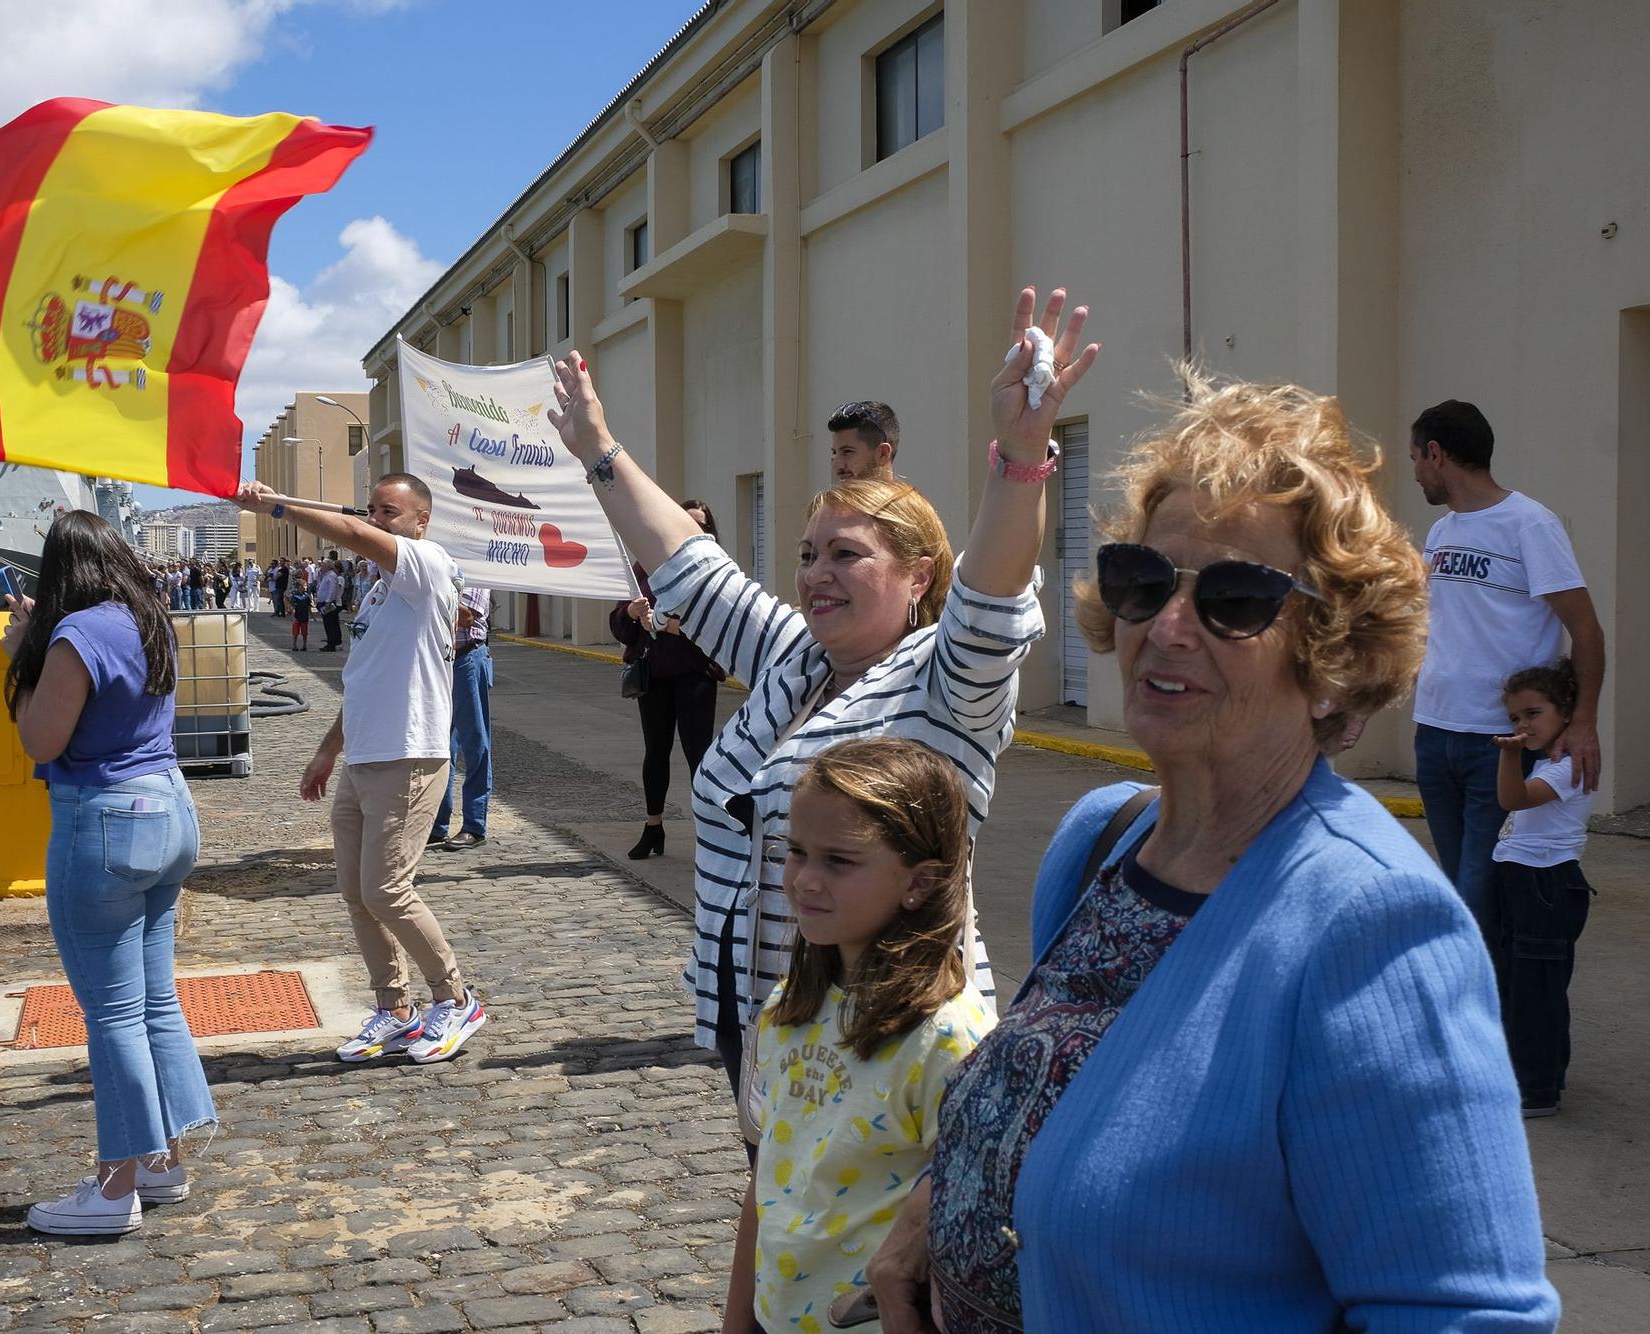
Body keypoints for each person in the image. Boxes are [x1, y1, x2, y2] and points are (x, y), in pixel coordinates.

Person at [867, 374, 1555, 1331]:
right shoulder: (1102, 839)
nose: (1168, 626)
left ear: (1332, 658)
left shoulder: (1376, 929)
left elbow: (1467, 1314)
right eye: (1145, 583)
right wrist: (939, 1199)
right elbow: (1053, 1090)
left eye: (1235, 597)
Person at [548, 287, 1095, 1110]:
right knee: (776, 1207)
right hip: (763, 1012)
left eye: (846, 554)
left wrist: (1022, 459)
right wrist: (597, 448)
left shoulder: (947, 685)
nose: (815, 575)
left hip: (890, 1037)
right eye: (807, 555)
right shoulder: (793, 658)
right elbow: (692, 566)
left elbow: (988, 607)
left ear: (917, 576)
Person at [726, 739, 990, 1333]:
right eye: (796, 852)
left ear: (919, 883)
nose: (805, 881)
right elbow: (768, 1179)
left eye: (839, 861)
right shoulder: (789, 1007)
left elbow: (963, 1226)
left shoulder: (948, 1039)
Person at [0, 510, 213, 1237]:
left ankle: (113, 1187)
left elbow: (40, 735)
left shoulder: (73, 635)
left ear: (60, 573)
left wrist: (21, 654)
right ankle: (164, 1162)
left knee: (113, 1013)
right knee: (156, 1001)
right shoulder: (147, 617)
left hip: (105, 821)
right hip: (170, 810)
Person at [232, 474, 487, 1064]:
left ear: (421, 521)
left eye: (389, 511)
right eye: (372, 509)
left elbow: (349, 532)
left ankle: (454, 998)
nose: (375, 519)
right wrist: (328, 749)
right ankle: (394, 1009)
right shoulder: (376, 594)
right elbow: (365, 682)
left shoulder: (427, 567)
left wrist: (278, 504)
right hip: (364, 758)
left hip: (409, 756)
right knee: (356, 892)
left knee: (387, 890)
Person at [1409, 399, 1604, 948]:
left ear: (1437, 453)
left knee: (1480, 890)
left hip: (1500, 743)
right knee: (1459, 887)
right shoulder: (1440, 531)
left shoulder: (1530, 524)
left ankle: (1488, 1022)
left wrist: (1582, 721)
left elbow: (1586, 631)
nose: (1415, 472)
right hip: (1435, 734)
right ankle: (1486, 1010)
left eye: (1415, 458)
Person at [1493, 658, 1596, 1119]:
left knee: (1537, 990)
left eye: (1533, 714)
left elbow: (1514, 799)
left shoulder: (1568, 767)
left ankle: (1538, 1090)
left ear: (1567, 714)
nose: (1522, 725)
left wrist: (1509, 753)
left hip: (1547, 884)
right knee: (1526, 985)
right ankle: (1533, 1078)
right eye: (1515, 717)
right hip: (1526, 880)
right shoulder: (1548, 762)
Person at [609, 501, 727, 860]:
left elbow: (722, 624)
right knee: (655, 753)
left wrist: (668, 625)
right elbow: (619, 626)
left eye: (700, 526)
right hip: (655, 676)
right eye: (686, 522)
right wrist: (630, 613)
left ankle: (711, 835)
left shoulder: (714, 571)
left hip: (694, 676)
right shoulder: (646, 567)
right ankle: (653, 827)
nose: (692, 530)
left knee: (699, 756)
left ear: (708, 533)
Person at [429, 583, 493, 851]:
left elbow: (466, 616)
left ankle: (474, 826)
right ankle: (436, 824)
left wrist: (429, 595)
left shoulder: (475, 573)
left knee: (475, 743)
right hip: (439, 662)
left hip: (467, 659)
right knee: (441, 746)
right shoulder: (440, 569)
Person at [827, 400, 900, 482]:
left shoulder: (908, 495)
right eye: (834, 453)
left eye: (847, 451)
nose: (836, 465)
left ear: (883, 453)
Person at [315, 559, 344, 652]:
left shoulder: (331, 575)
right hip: (323, 602)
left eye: (323, 566)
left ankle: (331, 644)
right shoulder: (325, 575)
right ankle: (333, 641)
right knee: (329, 623)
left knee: (330, 624)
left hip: (328, 603)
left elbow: (332, 589)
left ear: (328, 566)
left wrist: (328, 601)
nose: (321, 567)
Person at [289, 575, 312, 651]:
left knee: (304, 632)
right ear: (299, 587)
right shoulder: (295, 596)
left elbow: (309, 606)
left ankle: (304, 645)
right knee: (295, 632)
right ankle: (294, 645)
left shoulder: (307, 596)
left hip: (304, 616)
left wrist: (311, 614)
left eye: (306, 586)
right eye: (304, 586)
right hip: (297, 616)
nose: (305, 587)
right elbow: (293, 607)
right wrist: (293, 616)